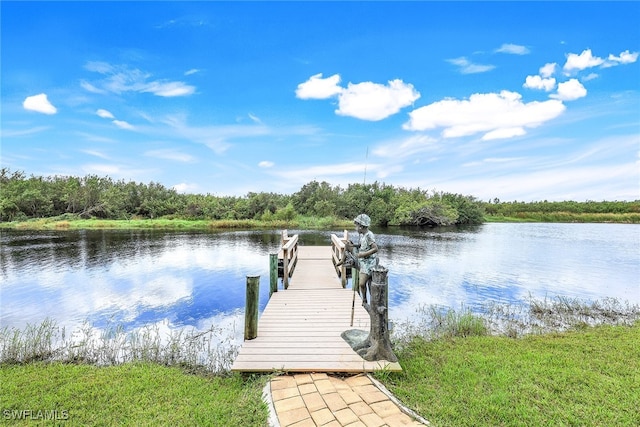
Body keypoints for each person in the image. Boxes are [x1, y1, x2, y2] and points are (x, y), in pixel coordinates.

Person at [349, 213, 378, 305]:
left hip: (368, 262)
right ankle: (364, 299)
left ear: (361, 226)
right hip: (363, 260)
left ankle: (365, 300)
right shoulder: (363, 235)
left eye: (356, 226)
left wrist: (362, 254)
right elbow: (363, 245)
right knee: (362, 283)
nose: (355, 228)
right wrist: (354, 245)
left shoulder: (369, 235)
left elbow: (375, 248)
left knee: (362, 283)